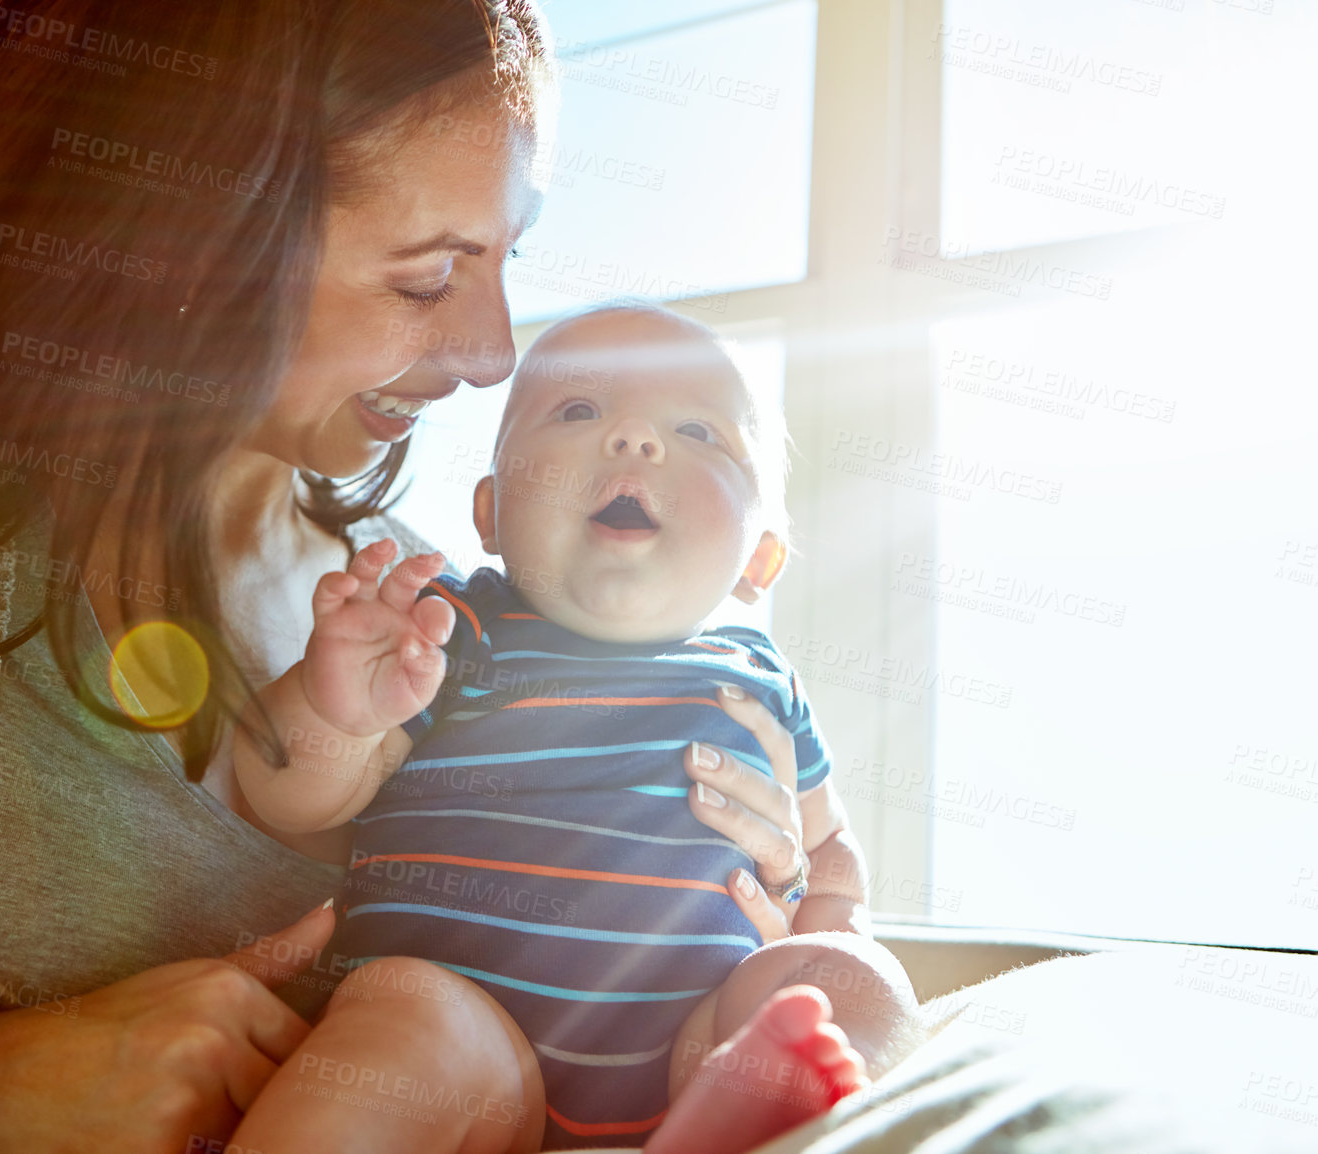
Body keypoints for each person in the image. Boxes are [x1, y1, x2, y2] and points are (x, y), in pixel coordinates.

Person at [0, 2, 838, 1151]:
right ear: (179, 242)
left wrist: (737, 904)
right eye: (426, 275)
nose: (489, 348)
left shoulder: (436, 630)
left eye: (505, 257)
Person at [228, 306, 923, 1152]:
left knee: (852, 985)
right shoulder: (455, 624)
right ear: (489, 513)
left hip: (692, 1049)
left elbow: (829, 837)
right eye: (579, 413)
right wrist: (339, 709)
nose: (634, 439)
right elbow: (287, 800)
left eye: (698, 430)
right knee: (405, 1015)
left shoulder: (762, 678)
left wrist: (834, 927)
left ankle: (767, 1114)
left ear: (760, 560)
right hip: (466, 1036)